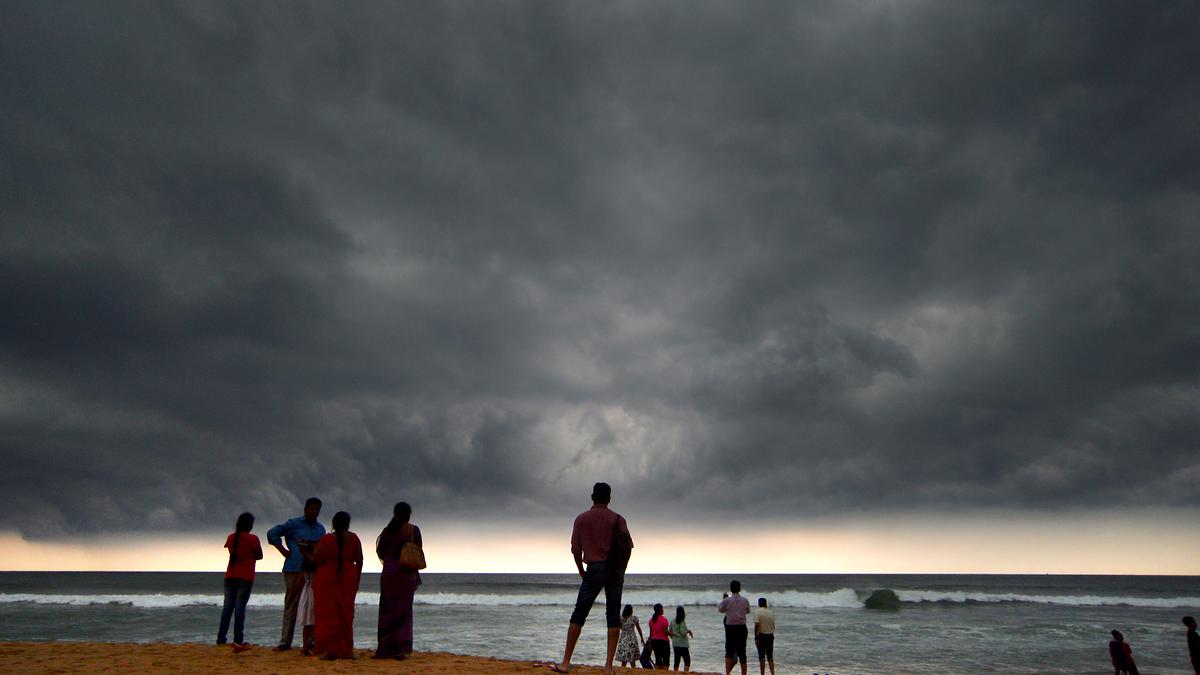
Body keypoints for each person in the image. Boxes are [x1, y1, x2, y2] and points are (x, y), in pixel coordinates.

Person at [550, 482, 634, 675]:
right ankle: (608, 667)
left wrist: (581, 570)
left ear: (592, 496)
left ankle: (565, 662)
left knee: (579, 613)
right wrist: (622, 569)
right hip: (614, 569)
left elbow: (575, 549)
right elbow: (628, 546)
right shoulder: (618, 519)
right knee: (612, 615)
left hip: (593, 568)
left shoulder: (581, 519)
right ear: (609, 498)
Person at [267, 497, 326, 650]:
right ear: (305, 509)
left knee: (312, 606)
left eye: (317, 509)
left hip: (313, 571)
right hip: (294, 568)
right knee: (291, 605)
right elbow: (272, 533)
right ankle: (285, 641)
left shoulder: (320, 529)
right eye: (312, 508)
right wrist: (283, 550)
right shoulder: (293, 523)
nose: (315, 511)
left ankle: (311, 641)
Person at [310, 511, 363, 660]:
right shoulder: (354, 538)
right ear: (347, 524)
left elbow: (317, 559)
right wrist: (356, 579)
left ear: (333, 524)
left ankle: (326, 650)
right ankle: (346, 650)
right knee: (345, 615)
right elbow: (359, 560)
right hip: (347, 576)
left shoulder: (326, 540)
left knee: (326, 615)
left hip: (327, 576)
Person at [374, 501, 423, 660]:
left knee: (386, 610)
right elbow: (418, 550)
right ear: (408, 514)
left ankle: (384, 648)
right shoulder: (412, 530)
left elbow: (381, 551)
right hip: (405, 573)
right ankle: (399, 649)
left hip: (388, 572)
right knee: (403, 611)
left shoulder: (387, 531)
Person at [217, 512, 262, 650]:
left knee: (227, 607)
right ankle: (238, 638)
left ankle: (221, 638)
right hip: (245, 576)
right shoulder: (253, 539)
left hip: (230, 575)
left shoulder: (231, 538)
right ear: (249, 524)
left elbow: (232, 552)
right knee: (240, 608)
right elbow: (259, 556)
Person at [719, 580, 751, 675]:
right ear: (740, 589)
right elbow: (748, 611)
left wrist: (724, 599)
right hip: (741, 627)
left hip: (730, 627)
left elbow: (721, 610)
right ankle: (743, 673)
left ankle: (728, 672)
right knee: (742, 652)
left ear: (731, 589)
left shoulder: (726, 600)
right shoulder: (745, 600)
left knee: (729, 651)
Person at [615, 604, 644, 669]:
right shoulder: (634, 618)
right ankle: (633, 670)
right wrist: (641, 638)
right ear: (631, 610)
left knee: (624, 659)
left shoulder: (620, 618)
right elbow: (639, 629)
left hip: (623, 638)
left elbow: (619, 628)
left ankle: (623, 671)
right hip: (632, 638)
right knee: (632, 658)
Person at [753, 597, 775, 675]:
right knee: (770, 657)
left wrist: (756, 637)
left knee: (761, 657)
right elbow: (773, 625)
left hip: (761, 636)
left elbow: (757, 624)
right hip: (770, 635)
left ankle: (762, 674)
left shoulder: (757, 612)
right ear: (766, 603)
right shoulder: (771, 612)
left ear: (759, 604)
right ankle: (773, 673)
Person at [668, 605, 693, 672]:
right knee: (687, 661)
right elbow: (682, 632)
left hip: (675, 644)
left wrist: (673, 638)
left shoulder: (672, 621)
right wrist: (688, 631)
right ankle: (686, 672)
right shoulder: (682, 621)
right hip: (683, 644)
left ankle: (675, 672)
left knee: (677, 660)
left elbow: (669, 631)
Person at [647, 603, 670, 668]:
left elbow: (651, 633)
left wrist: (650, 644)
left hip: (654, 641)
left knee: (658, 659)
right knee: (666, 661)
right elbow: (665, 632)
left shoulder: (651, 621)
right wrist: (673, 633)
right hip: (664, 642)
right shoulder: (664, 620)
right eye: (662, 609)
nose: (663, 610)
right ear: (660, 610)